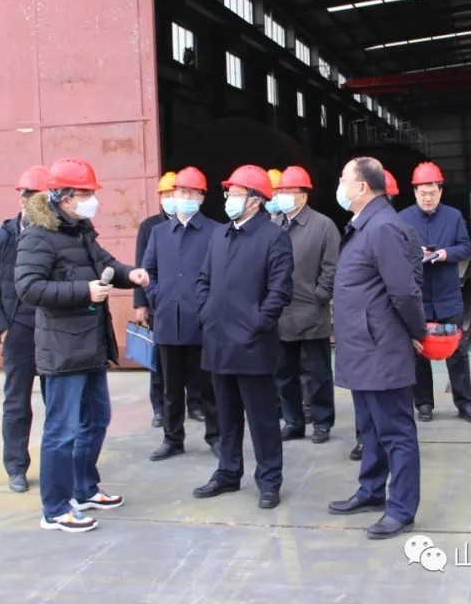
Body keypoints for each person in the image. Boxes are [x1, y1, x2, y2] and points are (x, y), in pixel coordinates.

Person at [15, 157, 150, 533]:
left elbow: (104, 263)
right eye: (85, 193)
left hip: (91, 344)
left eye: (92, 192)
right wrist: (83, 291)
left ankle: (84, 488)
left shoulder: (80, 230)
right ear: (62, 196)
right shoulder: (38, 236)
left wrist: (130, 274)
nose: (92, 200)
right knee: (62, 431)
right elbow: (28, 288)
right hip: (63, 350)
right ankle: (56, 508)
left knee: (97, 419)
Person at [328, 157, 427, 540]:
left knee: (396, 431)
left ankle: (401, 508)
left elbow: (404, 291)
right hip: (361, 346)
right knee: (369, 427)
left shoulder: (383, 227)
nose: (339, 185)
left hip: (380, 347)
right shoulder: (364, 224)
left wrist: (417, 331)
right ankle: (371, 490)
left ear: (362, 187)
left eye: (343, 179)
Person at [194, 165, 294, 510]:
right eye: (229, 193)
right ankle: (227, 472)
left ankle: (269, 480)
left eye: (236, 194)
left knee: (262, 418)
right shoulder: (219, 235)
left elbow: (280, 289)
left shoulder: (273, 237)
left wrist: (258, 322)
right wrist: (206, 313)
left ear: (255, 200)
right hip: (218, 339)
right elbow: (204, 280)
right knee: (226, 415)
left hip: (253, 343)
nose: (229, 199)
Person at [0, 165, 51, 493]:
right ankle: (16, 467)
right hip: (17, 332)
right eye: (25, 195)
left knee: (57, 402)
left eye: (36, 196)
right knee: (17, 403)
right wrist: (1, 329)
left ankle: (57, 465)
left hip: (50, 331)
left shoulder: (54, 237)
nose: (27, 200)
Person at [143, 166, 222, 461]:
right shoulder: (159, 232)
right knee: (171, 389)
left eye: (191, 192)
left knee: (209, 386)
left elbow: (222, 274)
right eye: (180, 191)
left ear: (201, 197)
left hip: (202, 322)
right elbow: (148, 270)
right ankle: (172, 438)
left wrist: (209, 307)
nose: (184, 197)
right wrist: (156, 296)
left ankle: (216, 436)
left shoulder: (216, 232)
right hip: (168, 320)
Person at [399, 161, 471, 423]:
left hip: (448, 295)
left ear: (440, 192)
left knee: (457, 351)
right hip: (418, 296)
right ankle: (424, 404)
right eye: (423, 193)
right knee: (418, 352)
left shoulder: (453, 216)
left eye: (433, 193)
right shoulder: (403, 219)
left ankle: (465, 404)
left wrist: (445, 253)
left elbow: (465, 246)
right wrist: (416, 253)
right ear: (415, 192)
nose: (428, 198)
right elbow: (395, 252)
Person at [273, 166, 340, 444]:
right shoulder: (274, 225)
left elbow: (331, 267)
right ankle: (293, 421)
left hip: (312, 312)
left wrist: (319, 296)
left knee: (319, 373)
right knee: (284, 373)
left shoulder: (323, 226)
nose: (284, 196)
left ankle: (322, 422)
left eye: (290, 191)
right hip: (281, 313)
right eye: (281, 191)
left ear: (304, 195)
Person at [135, 172, 204, 428]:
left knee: (198, 368)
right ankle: (163, 415)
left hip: (195, 312)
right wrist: (147, 300)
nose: (176, 198)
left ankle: (198, 408)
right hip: (163, 311)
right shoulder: (153, 229)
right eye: (171, 193)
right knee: (162, 369)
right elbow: (144, 267)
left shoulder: (210, 231)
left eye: (188, 192)